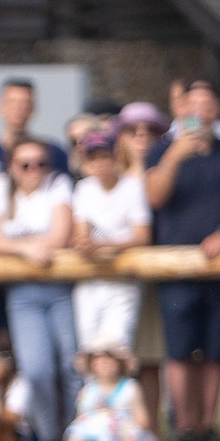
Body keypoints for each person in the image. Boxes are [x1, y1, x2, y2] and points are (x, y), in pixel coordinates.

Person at [144, 81, 220, 441]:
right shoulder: (161, 150)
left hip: (218, 264)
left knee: (213, 348)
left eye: (208, 104)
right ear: (181, 109)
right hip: (175, 266)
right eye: (194, 104)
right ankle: (184, 429)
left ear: (216, 110)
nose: (200, 112)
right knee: (179, 351)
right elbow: (155, 197)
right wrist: (175, 157)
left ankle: (208, 427)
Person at [0, 137, 76, 441]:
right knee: (36, 369)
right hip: (21, 292)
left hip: (61, 288)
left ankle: (77, 435)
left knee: (71, 365)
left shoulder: (58, 184)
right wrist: (28, 249)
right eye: (25, 164)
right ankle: (49, 438)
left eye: (40, 163)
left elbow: (62, 235)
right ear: (12, 167)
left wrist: (15, 245)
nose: (33, 170)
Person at [69, 123, 150, 356]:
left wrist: (100, 245)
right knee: (89, 353)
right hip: (90, 280)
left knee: (115, 351)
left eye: (104, 156)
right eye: (93, 158)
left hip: (123, 281)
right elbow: (81, 232)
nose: (100, 163)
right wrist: (85, 243)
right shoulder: (84, 188)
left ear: (114, 157)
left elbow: (142, 236)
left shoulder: (133, 187)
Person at [56, 345, 158, 441]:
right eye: (99, 362)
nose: (104, 366)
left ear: (119, 364)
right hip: (93, 434)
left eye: (109, 361)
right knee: (82, 429)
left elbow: (142, 420)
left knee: (106, 425)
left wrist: (120, 423)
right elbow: (81, 417)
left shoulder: (130, 388)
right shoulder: (88, 390)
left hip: (123, 433)